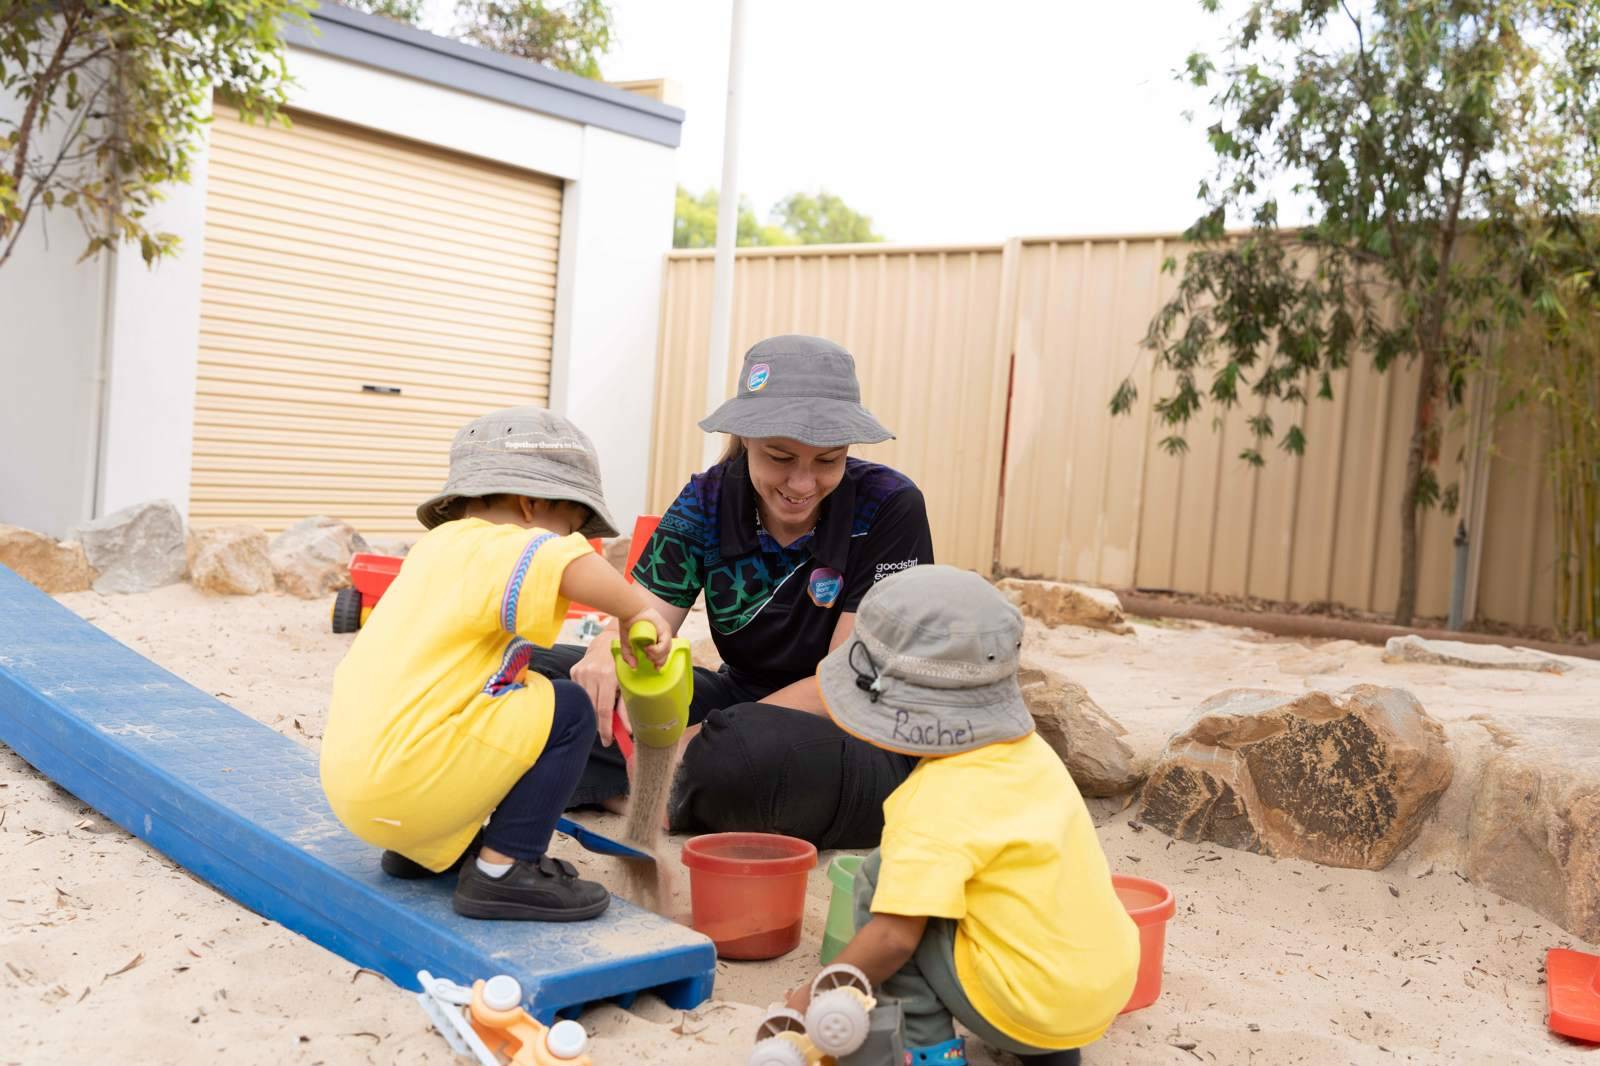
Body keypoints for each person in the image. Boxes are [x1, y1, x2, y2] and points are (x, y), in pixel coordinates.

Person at [530, 334, 935, 850]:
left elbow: (846, 682)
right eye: (780, 457)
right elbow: (644, 622)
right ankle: (663, 792)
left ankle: (632, 788)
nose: (803, 483)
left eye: (828, 460)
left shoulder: (889, 506)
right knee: (545, 676)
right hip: (739, 699)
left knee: (740, 751)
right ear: (745, 439)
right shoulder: (709, 497)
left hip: (849, 725)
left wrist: (695, 739)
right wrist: (610, 647)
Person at [318, 407, 671, 921]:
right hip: (410, 783)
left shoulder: (434, 550)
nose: (570, 542)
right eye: (569, 529)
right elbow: (570, 565)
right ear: (530, 505)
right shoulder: (499, 542)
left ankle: (424, 849)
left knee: (504, 692)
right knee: (567, 707)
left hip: (359, 791)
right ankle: (504, 871)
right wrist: (636, 611)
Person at [785, 565, 1139, 1066]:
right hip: (1099, 990)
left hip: (1025, 1007)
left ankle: (930, 1051)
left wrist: (813, 993)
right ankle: (1051, 1054)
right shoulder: (1034, 755)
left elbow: (891, 941)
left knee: (880, 880)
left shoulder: (930, 801)